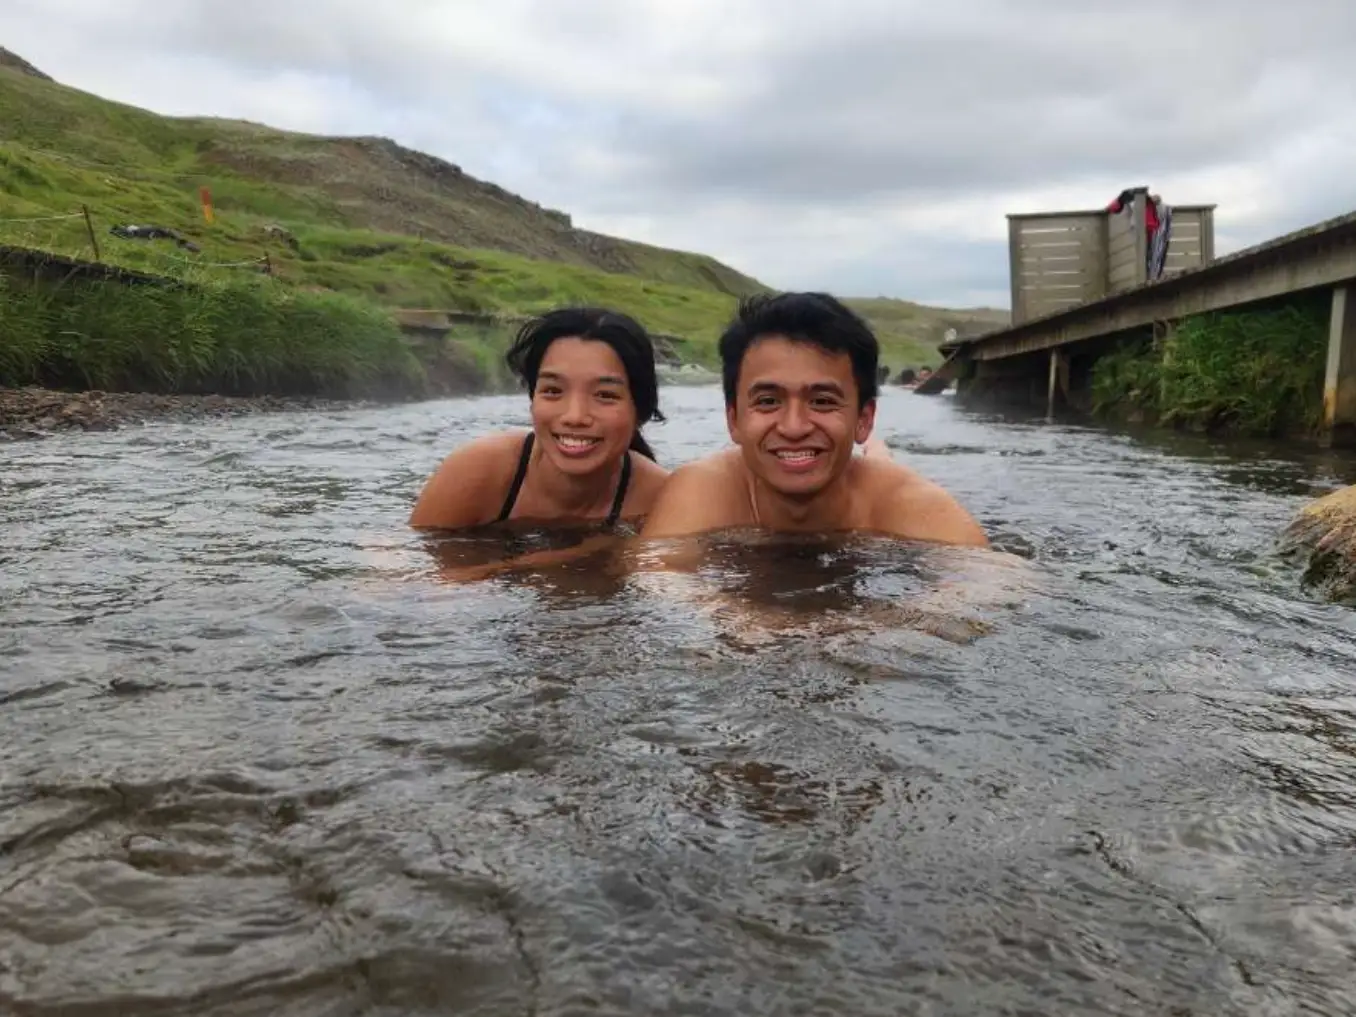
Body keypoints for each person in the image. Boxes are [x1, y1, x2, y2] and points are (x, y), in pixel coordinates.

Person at [639, 292, 988, 546]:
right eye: (768, 401)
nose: (794, 427)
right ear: (733, 420)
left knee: (879, 467)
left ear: (864, 419)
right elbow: (661, 586)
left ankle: (878, 455)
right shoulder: (704, 490)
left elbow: (984, 593)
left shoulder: (909, 505)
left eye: (822, 402)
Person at [409, 306, 669, 532]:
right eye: (553, 391)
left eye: (605, 395)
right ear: (533, 399)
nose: (574, 416)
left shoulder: (661, 500)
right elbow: (417, 566)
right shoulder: (477, 473)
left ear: (641, 410)